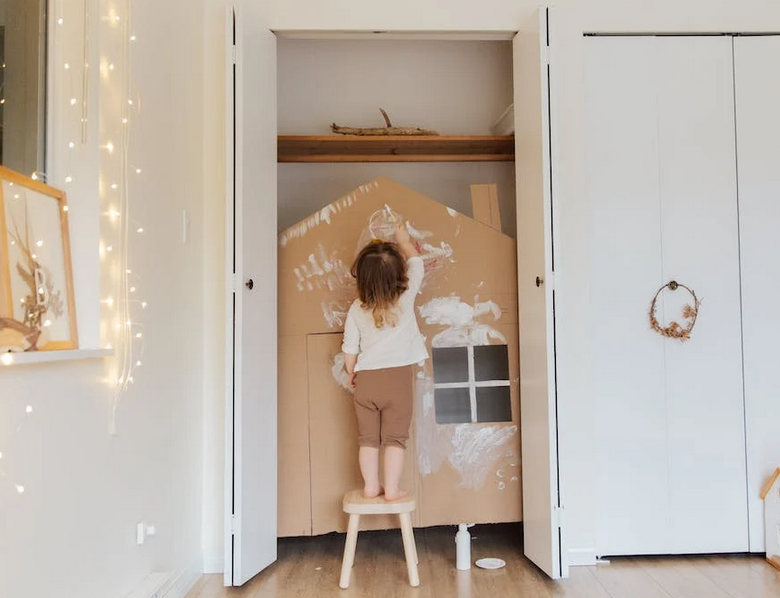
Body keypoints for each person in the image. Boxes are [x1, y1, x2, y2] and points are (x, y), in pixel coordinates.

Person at [342, 217, 428, 501]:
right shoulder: (405, 297)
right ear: (398, 276)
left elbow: (350, 347)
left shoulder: (357, 308)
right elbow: (417, 264)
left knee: (367, 439)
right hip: (398, 381)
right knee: (395, 439)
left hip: (366, 380)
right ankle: (391, 489)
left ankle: (370, 486)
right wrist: (404, 242)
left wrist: (351, 371)